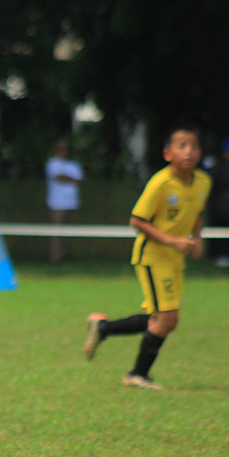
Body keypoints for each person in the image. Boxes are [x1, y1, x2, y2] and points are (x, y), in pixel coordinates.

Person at [82, 125, 209, 389]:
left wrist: (197, 238)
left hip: (175, 259)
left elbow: (196, 212)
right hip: (152, 256)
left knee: (161, 319)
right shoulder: (160, 183)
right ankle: (136, 374)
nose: (189, 151)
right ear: (167, 153)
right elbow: (137, 220)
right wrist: (172, 240)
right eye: (182, 146)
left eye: (193, 146)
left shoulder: (202, 182)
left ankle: (103, 328)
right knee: (167, 318)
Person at [205, 137, 229, 266]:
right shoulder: (217, 166)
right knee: (218, 231)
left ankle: (228, 256)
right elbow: (214, 183)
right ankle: (216, 257)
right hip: (218, 207)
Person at [45, 139, 84, 264]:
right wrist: (71, 179)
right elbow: (59, 177)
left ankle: (64, 256)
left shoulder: (73, 165)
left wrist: (68, 178)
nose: (63, 151)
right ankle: (55, 258)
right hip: (57, 204)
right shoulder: (52, 163)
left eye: (65, 149)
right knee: (56, 233)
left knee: (68, 233)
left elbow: (79, 180)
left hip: (72, 204)